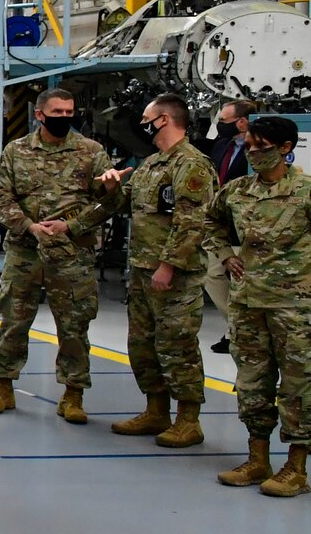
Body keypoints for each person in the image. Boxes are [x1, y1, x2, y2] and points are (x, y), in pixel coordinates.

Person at [84, 93, 215, 447]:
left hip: (173, 274)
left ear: (164, 120)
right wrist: (111, 189)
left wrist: (168, 266)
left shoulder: (191, 165)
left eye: (146, 118)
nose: (141, 124)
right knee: (142, 345)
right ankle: (156, 410)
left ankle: (189, 419)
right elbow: (125, 206)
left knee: (178, 345)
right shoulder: (152, 164)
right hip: (143, 269)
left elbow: (192, 223)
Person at [0, 87, 111, 425]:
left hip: (72, 255)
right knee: (14, 320)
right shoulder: (17, 151)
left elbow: (109, 203)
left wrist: (76, 223)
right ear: (39, 114)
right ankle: (3, 385)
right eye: (57, 113)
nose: (64, 118)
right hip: (26, 252)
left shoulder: (91, 152)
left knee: (74, 327)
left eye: (69, 113)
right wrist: (27, 225)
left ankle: (73, 393)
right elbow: (2, 195)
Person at [204, 115, 311, 497]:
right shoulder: (236, 192)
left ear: (284, 148)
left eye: (261, 148)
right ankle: (257, 458)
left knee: (299, 385)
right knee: (252, 382)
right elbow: (209, 223)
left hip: (294, 307)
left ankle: (296, 467)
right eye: (249, 147)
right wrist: (223, 256)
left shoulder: (305, 191)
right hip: (248, 303)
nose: (252, 154)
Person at [203, 99, 256, 351]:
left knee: (242, 280)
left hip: (247, 227)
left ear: (242, 122)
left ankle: (243, 331)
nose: (220, 126)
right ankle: (235, 326)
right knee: (212, 275)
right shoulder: (220, 147)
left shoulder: (258, 150)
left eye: (223, 121)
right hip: (220, 224)